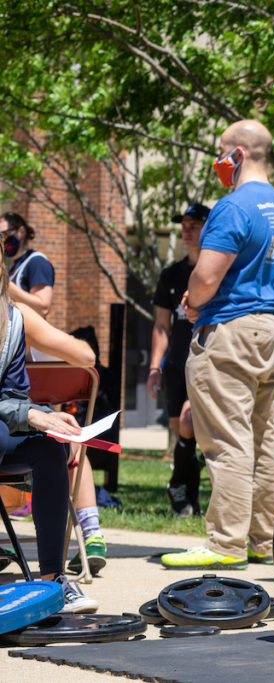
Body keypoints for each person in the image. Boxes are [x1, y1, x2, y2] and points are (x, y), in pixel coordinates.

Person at [160, 119, 274, 570]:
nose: (218, 161)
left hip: (231, 329)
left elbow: (206, 276)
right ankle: (265, 539)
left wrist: (192, 302)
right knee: (265, 435)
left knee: (226, 438)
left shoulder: (233, 206)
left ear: (237, 154)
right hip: (273, 327)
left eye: (221, 152)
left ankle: (225, 544)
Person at [0, 257, 97, 613]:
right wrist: (30, 414)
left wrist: (43, 416)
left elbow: (11, 396)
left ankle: (53, 582)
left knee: (50, 448)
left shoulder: (13, 321)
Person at [148, 203, 209, 518]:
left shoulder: (218, 271)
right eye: (183, 226)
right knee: (183, 433)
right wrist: (155, 367)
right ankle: (189, 500)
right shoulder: (170, 274)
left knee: (190, 423)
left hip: (208, 362)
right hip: (175, 365)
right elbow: (162, 325)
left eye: (194, 225)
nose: (187, 231)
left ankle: (177, 486)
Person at [0, 211, 54, 318]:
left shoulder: (37, 262)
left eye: (4, 234)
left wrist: (5, 284)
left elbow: (42, 308)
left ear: (21, 231)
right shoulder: (12, 267)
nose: (2, 240)